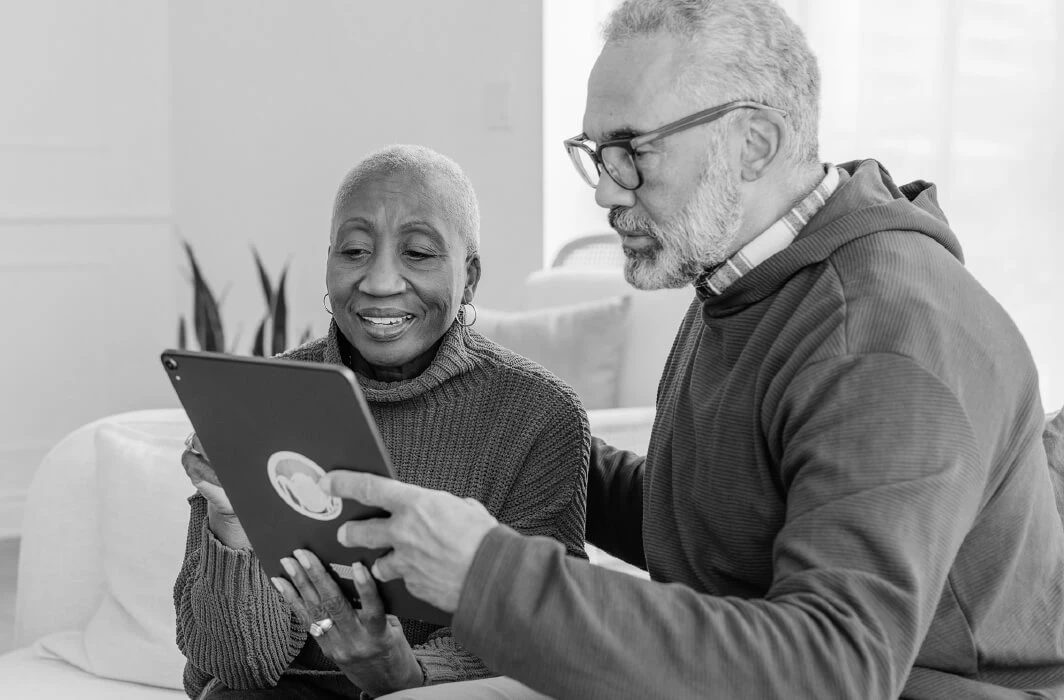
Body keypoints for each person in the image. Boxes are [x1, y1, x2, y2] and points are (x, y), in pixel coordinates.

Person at [321, 1, 1064, 698]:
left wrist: (486, 574)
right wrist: (508, 427)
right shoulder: (746, 276)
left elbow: (833, 668)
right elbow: (722, 528)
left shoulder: (882, 339)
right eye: (597, 153)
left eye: (632, 152)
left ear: (754, 144)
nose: (606, 193)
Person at [173, 144, 590, 699]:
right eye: (354, 250)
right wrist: (232, 530)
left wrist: (403, 672)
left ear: (469, 277)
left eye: (418, 253)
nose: (380, 281)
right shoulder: (258, 397)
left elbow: (539, 630)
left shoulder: (539, 414)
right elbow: (236, 665)